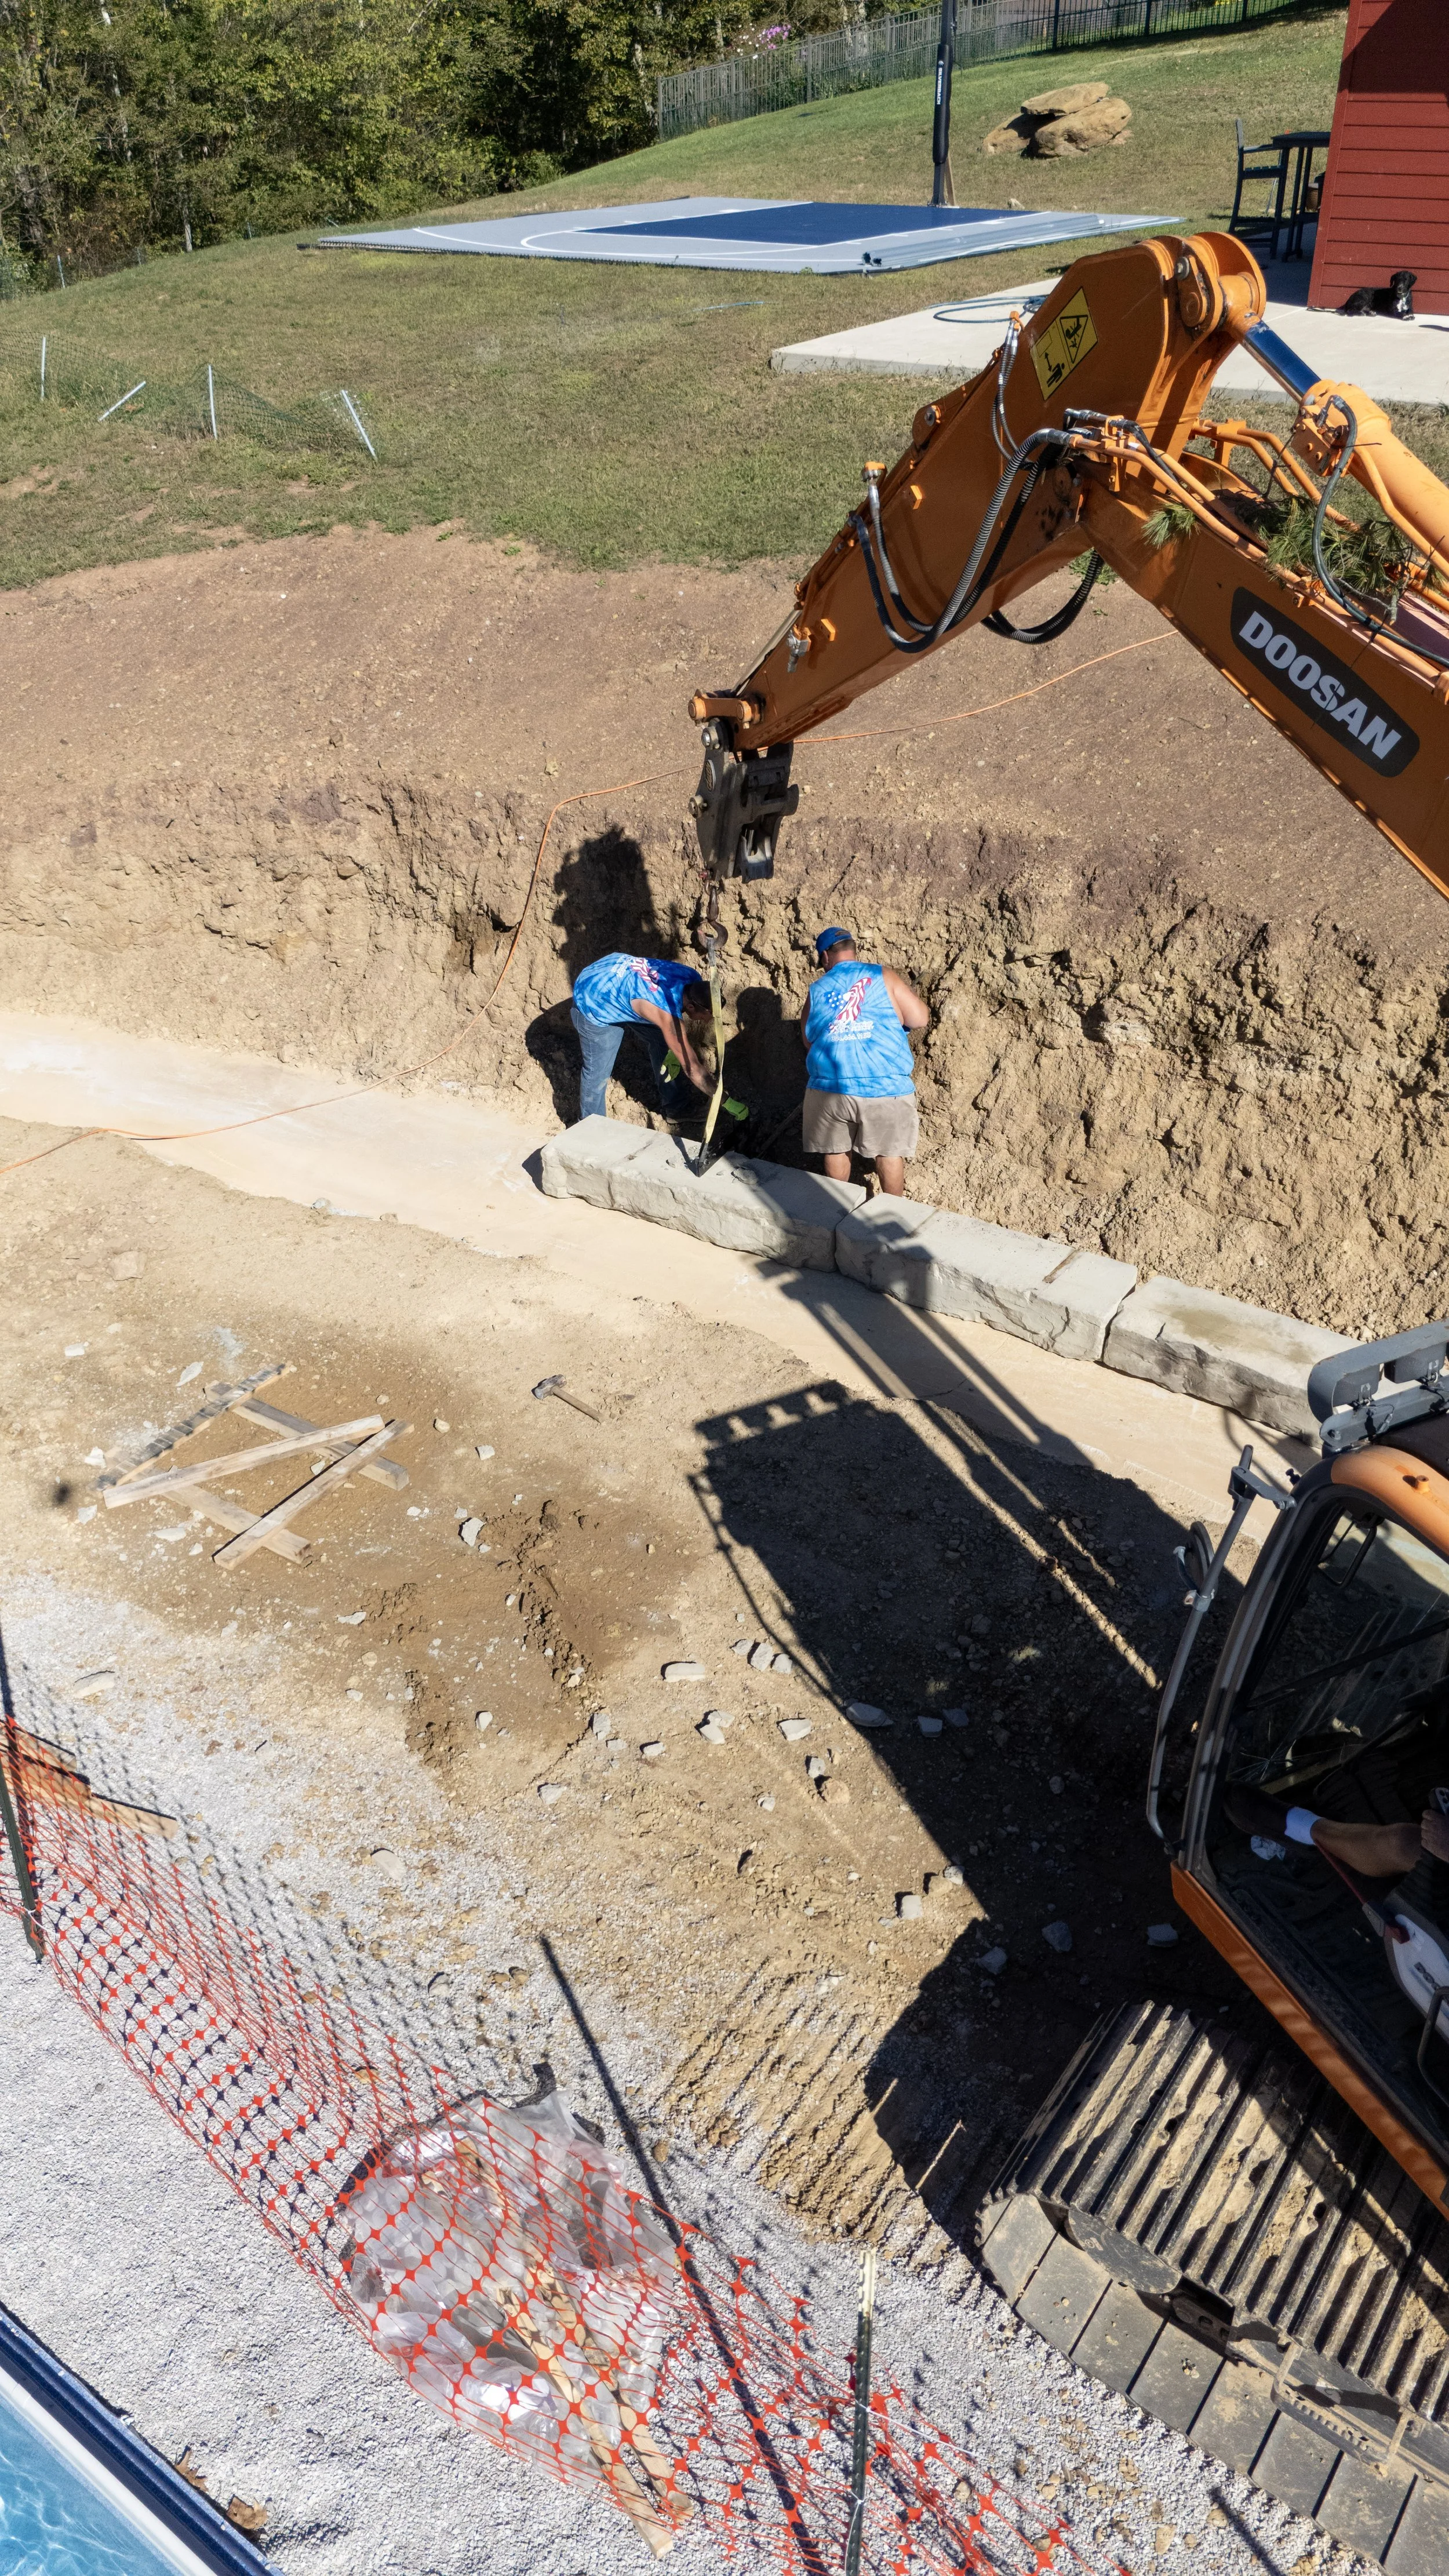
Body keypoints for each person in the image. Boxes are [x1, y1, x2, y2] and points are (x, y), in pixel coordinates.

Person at [799, 927, 928, 1198]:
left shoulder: (817, 989)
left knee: (835, 1150)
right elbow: (919, 1019)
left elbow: (809, 1040)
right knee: (889, 1154)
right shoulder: (884, 975)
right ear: (853, 950)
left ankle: (839, 1211)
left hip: (831, 1089)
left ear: (825, 956)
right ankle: (893, 1216)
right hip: (886, 1088)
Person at [571, 951, 714, 1124]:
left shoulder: (693, 978)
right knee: (598, 1072)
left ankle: (677, 1109)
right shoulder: (665, 1013)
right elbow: (693, 1069)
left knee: (665, 1044)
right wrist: (725, 1101)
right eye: (709, 1015)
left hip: (618, 978)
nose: (710, 1020)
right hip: (593, 998)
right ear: (691, 1006)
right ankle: (590, 1127)